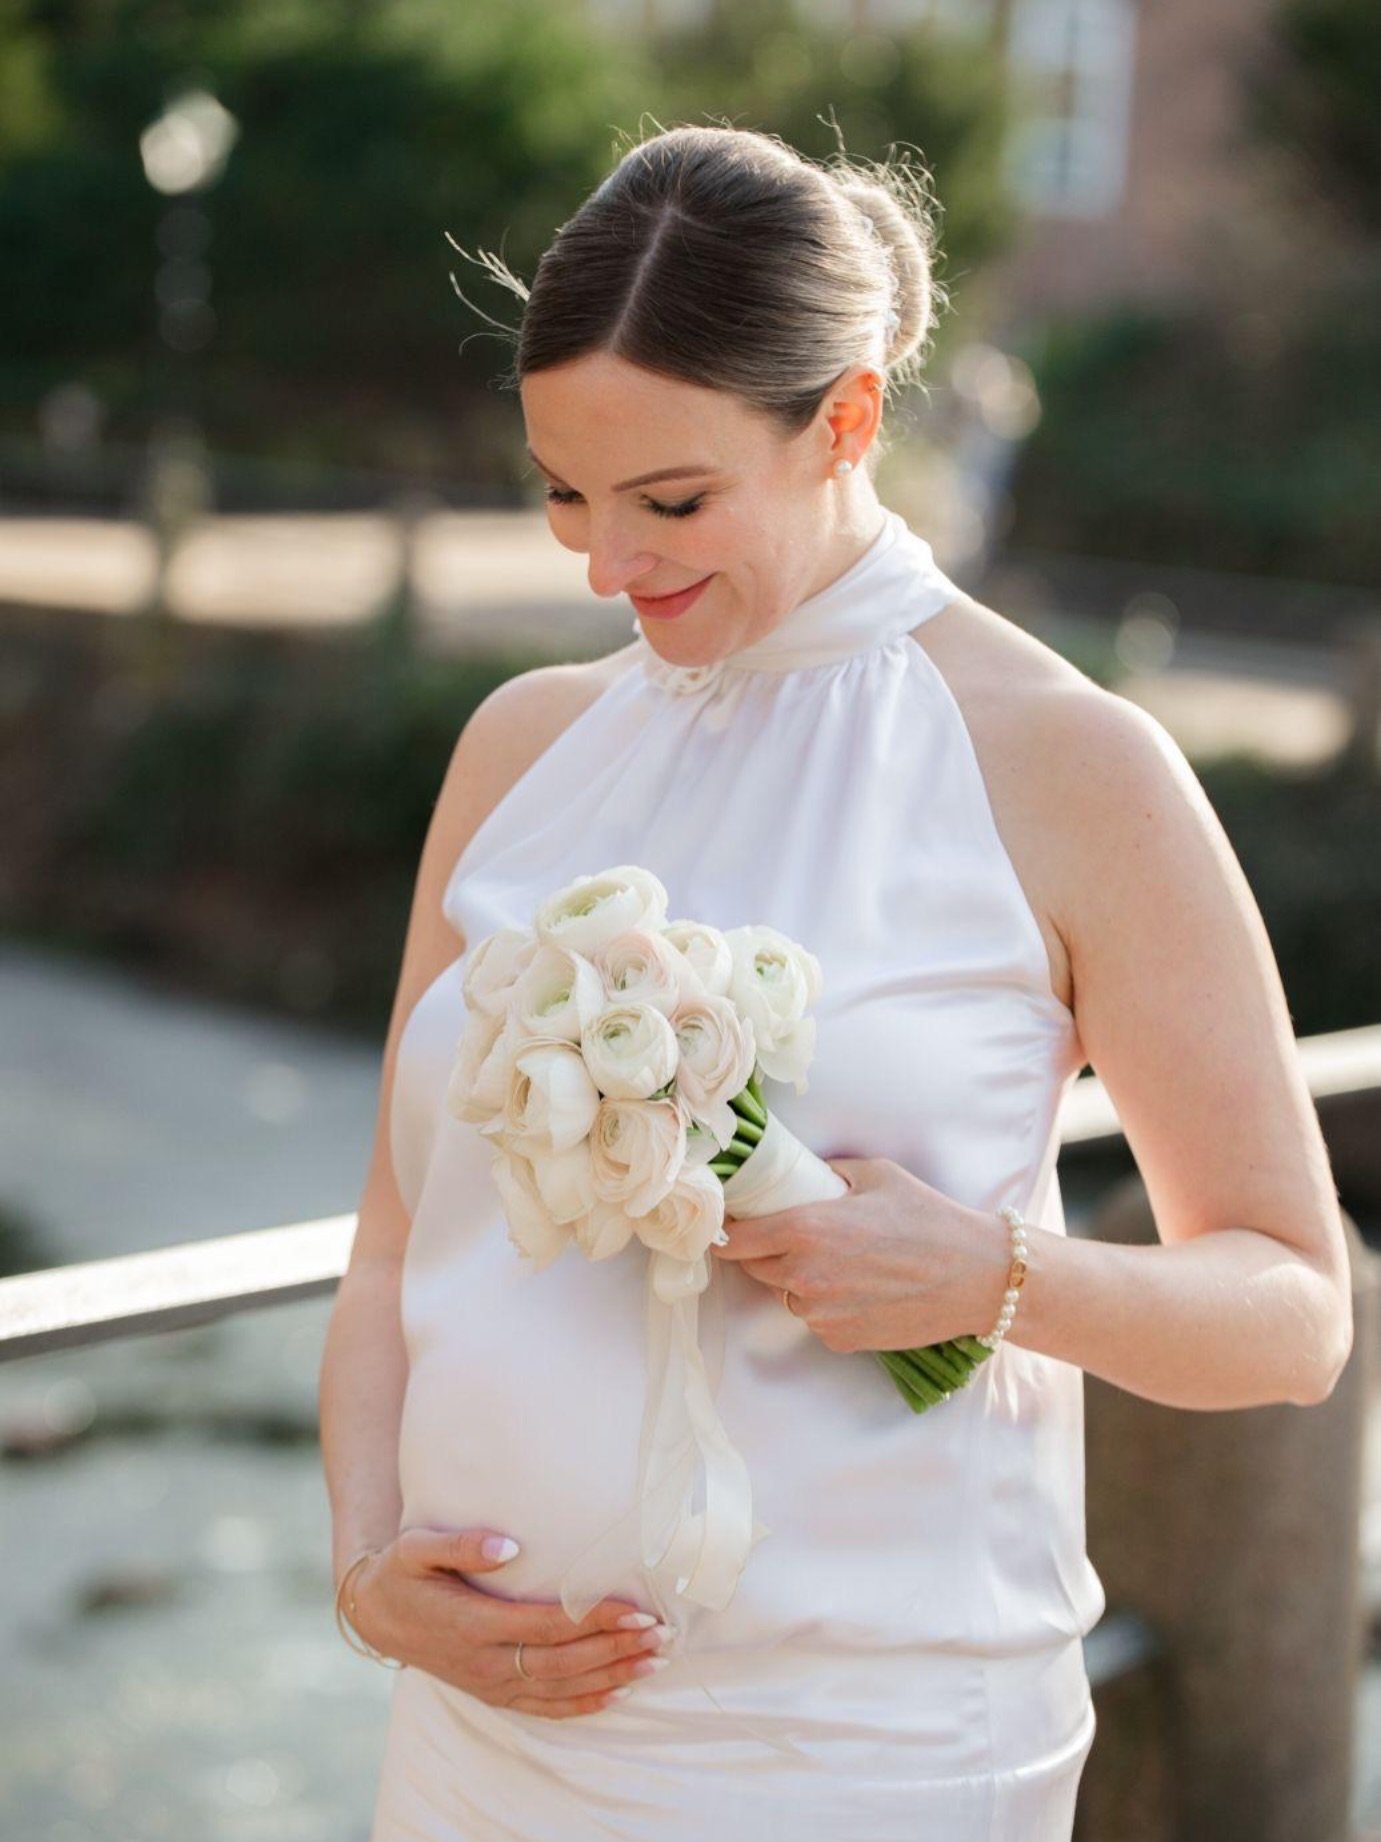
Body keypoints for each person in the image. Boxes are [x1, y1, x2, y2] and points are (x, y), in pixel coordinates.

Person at [318, 122, 1353, 1841]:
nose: (603, 563)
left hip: (861, 1751)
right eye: (563, 490)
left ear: (849, 421)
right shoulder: (516, 747)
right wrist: (367, 1571)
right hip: (485, 1750)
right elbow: (383, 1249)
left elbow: (1294, 1311)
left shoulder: (1067, 764)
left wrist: (992, 1272)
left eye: (671, 499)